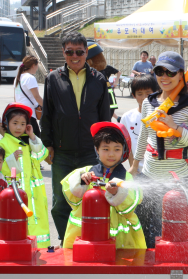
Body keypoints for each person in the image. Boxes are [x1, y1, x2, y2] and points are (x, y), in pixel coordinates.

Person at [129, 51, 188, 248]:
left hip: (179, 176)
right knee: (144, 223)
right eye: (160, 71)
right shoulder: (149, 102)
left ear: (181, 74)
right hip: (149, 174)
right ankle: (148, 267)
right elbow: (144, 136)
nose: (164, 77)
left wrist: (177, 129)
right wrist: (135, 165)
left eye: (170, 72)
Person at [41, 31, 111, 244]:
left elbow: (105, 117)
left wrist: (105, 148)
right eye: (69, 51)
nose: (74, 56)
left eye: (79, 52)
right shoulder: (53, 78)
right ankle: (66, 241)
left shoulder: (98, 79)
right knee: (60, 203)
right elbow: (47, 114)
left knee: (93, 199)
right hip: (62, 152)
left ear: (86, 52)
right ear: (63, 53)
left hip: (91, 153)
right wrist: (48, 145)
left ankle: (90, 240)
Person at [61, 122, 146, 249]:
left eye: (117, 149)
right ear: (97, 150)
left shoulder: (126, 179)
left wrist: (117, 193)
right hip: (86, 238)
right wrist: (81, 182)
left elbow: (130, 208)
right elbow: (72, 199)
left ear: (124, 151)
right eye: (106, 149)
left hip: (119, 243)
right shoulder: (85, 172)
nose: (111, 154)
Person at [0, 103, 50, 247]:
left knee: (37, 223)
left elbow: (42, 155)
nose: (18, 127)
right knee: (16, 224)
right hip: (15, 194)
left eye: (22, 124)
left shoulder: (29, 142)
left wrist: (32, 136)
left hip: (35, 195)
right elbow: (1, 168)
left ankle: (40, 248)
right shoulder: (3, 144)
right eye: (14, 123)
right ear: (6, 124)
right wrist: (11, 160)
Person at [121, 74, 159, 171]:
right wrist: (133, 167)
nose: (144, 98)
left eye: (148, 93)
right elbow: (128, 147)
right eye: (139, 94)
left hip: (159, 170)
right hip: (139, 169)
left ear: (156, 93)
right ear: (133, 95)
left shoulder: (162, 115)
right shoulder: (127, 117)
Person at [86, 40, 121, 119]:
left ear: (89, 61)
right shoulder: (103, 72)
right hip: (110, 102)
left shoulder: (96, 76)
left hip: (104, 105)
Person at [13, 55, 43, 137]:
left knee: (24, 139)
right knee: (37, 141)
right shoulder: (30, 78)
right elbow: (37, 97)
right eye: (37, 65)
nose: (37, 68)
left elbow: (15, 98)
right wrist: (48, 107)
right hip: (29, 114)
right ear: (33, 65)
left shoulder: (18, 78)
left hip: (19, 113)